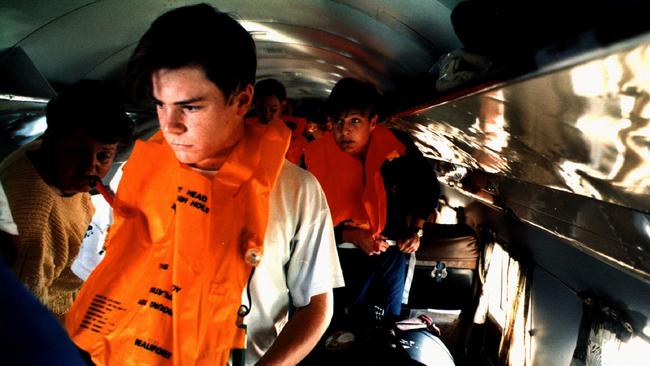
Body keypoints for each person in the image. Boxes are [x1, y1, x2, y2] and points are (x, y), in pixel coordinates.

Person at [66, 4, 343, 366]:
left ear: (242, 100)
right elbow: (96, 278)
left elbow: (316, 308)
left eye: (191, 107)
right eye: (161, 105)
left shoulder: (297, 191)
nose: (171, 127)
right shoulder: (134, 176)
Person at [304, 78, 439, 323]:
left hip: (391, 255)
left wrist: (416, 231)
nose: (345, 131)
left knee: (387, 327)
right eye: (338, 122)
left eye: (355, 121)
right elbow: (303, 227)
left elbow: (427, 187)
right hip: (339, 258)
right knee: (341, 328)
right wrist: (350, 236)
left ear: (372, 122)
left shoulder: (398, 148)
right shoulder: (312, 158)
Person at [0, 79, 133, 321]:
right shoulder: (33, 218)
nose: (91, 167)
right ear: (52, 140)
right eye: (78, 152)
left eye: (103, 156)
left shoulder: (45, 157)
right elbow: (24, 315)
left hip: (72, 293)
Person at [250, 78, 309, 164]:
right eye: (261, 109)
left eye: (273, 110)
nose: (267, 114)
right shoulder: (245, 132)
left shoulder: (296, 138)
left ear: (283, 106)